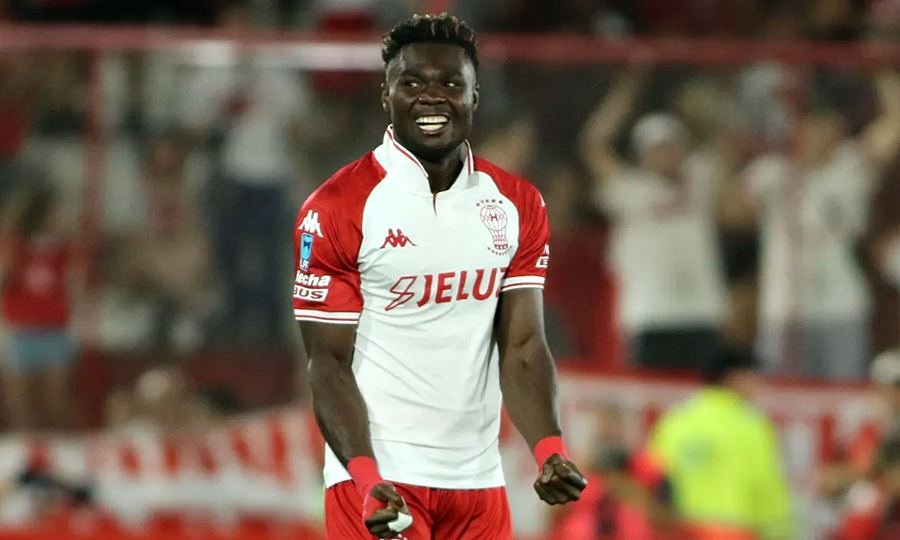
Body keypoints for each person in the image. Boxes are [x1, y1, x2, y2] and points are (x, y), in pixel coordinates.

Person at [292, 13, 587, 540]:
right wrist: (365, 478)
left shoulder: (517, 204)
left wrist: (549, 449)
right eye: (412, 83)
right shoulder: (337, 207)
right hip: (382, 482)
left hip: (477, 483)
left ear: (475, 98)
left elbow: (522, 346)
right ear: (386, 96)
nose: (432, 97)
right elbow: (327, 364)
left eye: (452, 83)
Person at [729, 70, 900, 379]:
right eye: (812, 128)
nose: (819, 135)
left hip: (841, 303)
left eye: (827, 128)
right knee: (784, 394)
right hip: (786, 306)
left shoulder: (848, 166)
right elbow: (732, 212)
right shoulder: (772, 171)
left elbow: (894, 125)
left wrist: (881, 72)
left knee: (843, 391)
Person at [579, 71, 727, 371]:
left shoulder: (700, 178)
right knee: (653, 402)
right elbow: (593, 145)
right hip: (650, 314)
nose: (664, 155)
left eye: (671, 146)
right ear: (642, 155)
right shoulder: (630, 188)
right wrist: (624, 96)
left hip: (702, 311)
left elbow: (725, 141)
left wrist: (699, 108)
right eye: (656, 149)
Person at [648, 347, 793, 539]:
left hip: (681, 530)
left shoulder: (674, 421)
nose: (758, 384)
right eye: (753, 376)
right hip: (734, 531)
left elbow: (652, 475)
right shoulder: (750, 426)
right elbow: (766, 486)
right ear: (733, 378)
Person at [0, 183, 78, 430]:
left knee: (56, 402)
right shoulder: (15, 246)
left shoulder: (66, 250)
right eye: (57, 211)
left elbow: (75, 284)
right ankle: (26, 454)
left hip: (54, 331)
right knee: (21, 403)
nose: (61, 217)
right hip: (20, 330)